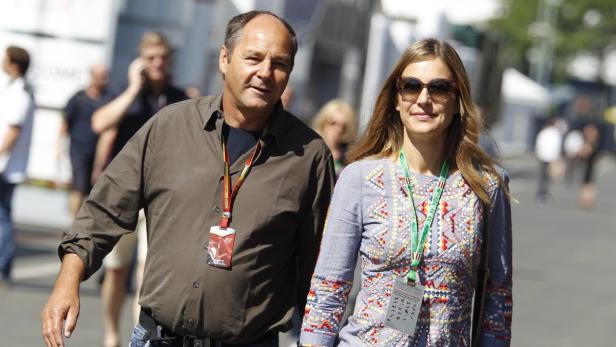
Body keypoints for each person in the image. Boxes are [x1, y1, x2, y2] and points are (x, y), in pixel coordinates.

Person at [41, 10, 335, 347]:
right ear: (225, 59)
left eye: (279, 64)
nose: (265, 73)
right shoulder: (170, 127)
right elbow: (101, 213)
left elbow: (319, 267)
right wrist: (67, 282)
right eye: (253, 58)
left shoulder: (309, 156)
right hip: (158, 338)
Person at [299, 38, 512, 346]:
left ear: (457, 100)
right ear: (396, 99)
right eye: (411, 86)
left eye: (438, 88)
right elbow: (329, 289)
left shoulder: (487, 186)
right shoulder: (358, 178)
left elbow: (497, 300)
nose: (423, 99)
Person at [89, 31, 189, 347]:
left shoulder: (180, 98)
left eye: (163, 58)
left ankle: (139, 339)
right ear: (140, 61)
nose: (158, 63)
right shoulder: (125, 94)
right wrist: (133, 88)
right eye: (151, 58)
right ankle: (111, 332)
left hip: (160, 199)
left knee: (146, 275)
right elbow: (99, 123)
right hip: (123, 197)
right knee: (116, 271)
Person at [57, 63, 115, 217]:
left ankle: (85, 223)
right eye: (99, 77)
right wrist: (59, 145)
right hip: (78, 149)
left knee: (95, 188)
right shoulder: (78, 98)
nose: (103, 80)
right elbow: (65, 121)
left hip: (100, 151)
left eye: (105, 77)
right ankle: (73, 224)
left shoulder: (109, 99)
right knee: (79, 187)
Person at [0, 45, 35, 287]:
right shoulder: (15, 89)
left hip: (6, 166)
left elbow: (12, 131)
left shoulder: (20, 94)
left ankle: (2, 266)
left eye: (5, 58)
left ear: (14, 64)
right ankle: (5, 264)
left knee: (2, 217)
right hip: (7, 165)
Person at [311, 99, 357, 176]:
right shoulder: (311, 149)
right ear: (323, 121)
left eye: (344, 126)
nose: (338, 129)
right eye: (333, 122)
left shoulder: (350, 157)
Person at [534, 118, 563, 207]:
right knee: (548, 177)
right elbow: (557, 146)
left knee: (543, 177)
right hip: (551, 158)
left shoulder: (543, 132)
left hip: (543, 156)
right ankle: (544, 195)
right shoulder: (556, 133)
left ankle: (541, 194)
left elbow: (539, 144)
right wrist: (557, 158)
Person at [577, 123, 600, 209]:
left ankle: (587, 201)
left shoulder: (592, 143)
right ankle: (588, 200)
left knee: (587, 185)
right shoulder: (592, 142)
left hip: (589, 167)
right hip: (589, 167)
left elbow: (585, 152)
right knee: (588, 184)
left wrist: (580, 151)